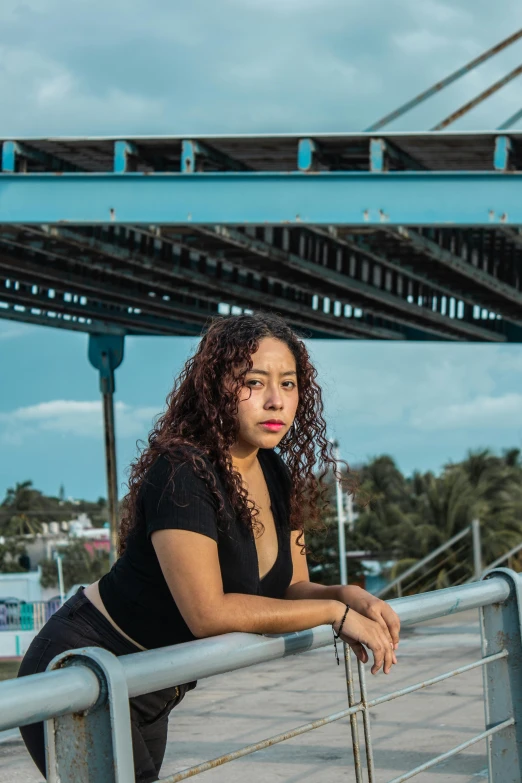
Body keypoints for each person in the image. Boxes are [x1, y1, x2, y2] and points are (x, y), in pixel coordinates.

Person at [18, 313, 400, 783]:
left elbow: (293, 587)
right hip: (83, 665)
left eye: (289, 383)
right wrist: (333, 617)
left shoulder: (276, 475)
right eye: (254, 382)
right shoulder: (182, 472)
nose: (276, 400)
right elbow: (208, 612)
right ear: (217, 385)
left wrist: (347, 596)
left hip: (153, 683)